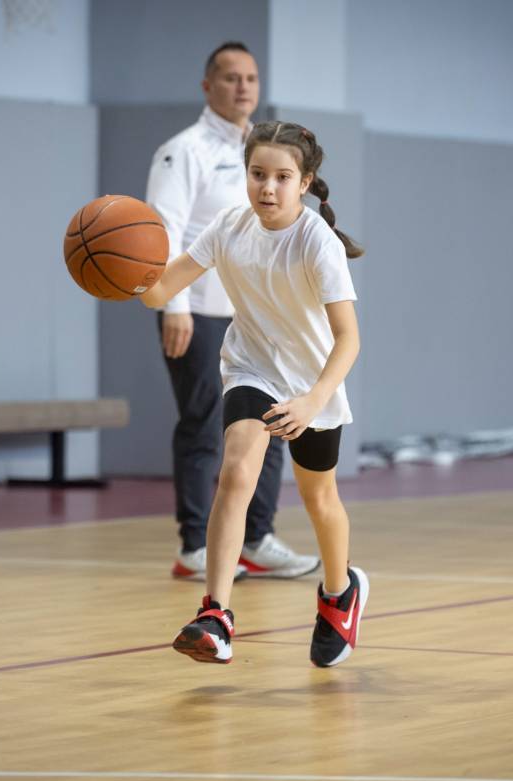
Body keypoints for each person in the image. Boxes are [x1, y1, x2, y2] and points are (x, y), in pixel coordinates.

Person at [139, 121, 367, 667]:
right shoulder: (228, 226)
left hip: (313, 383)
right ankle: (216, 613)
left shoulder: (316, 242)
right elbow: (161, 292)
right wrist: (122, 272)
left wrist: (313, 401)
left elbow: (349, 340)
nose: (267, 187)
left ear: (306, 181)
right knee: (236, 472)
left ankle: (340, 593)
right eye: (257, 174)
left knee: (320, 501)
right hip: (251, 368)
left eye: (282, 177)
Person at [145, 42, 319, 582]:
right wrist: (174, 306)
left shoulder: (263, 152)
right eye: (230, 77)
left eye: (250, 77)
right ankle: (195, 546)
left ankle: (257, 537)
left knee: (270, 430)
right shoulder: (182, 151)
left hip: (258, 318)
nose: (243, 86)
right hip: (197, 312)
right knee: (203, 425)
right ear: (207, 86)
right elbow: (164, 231)